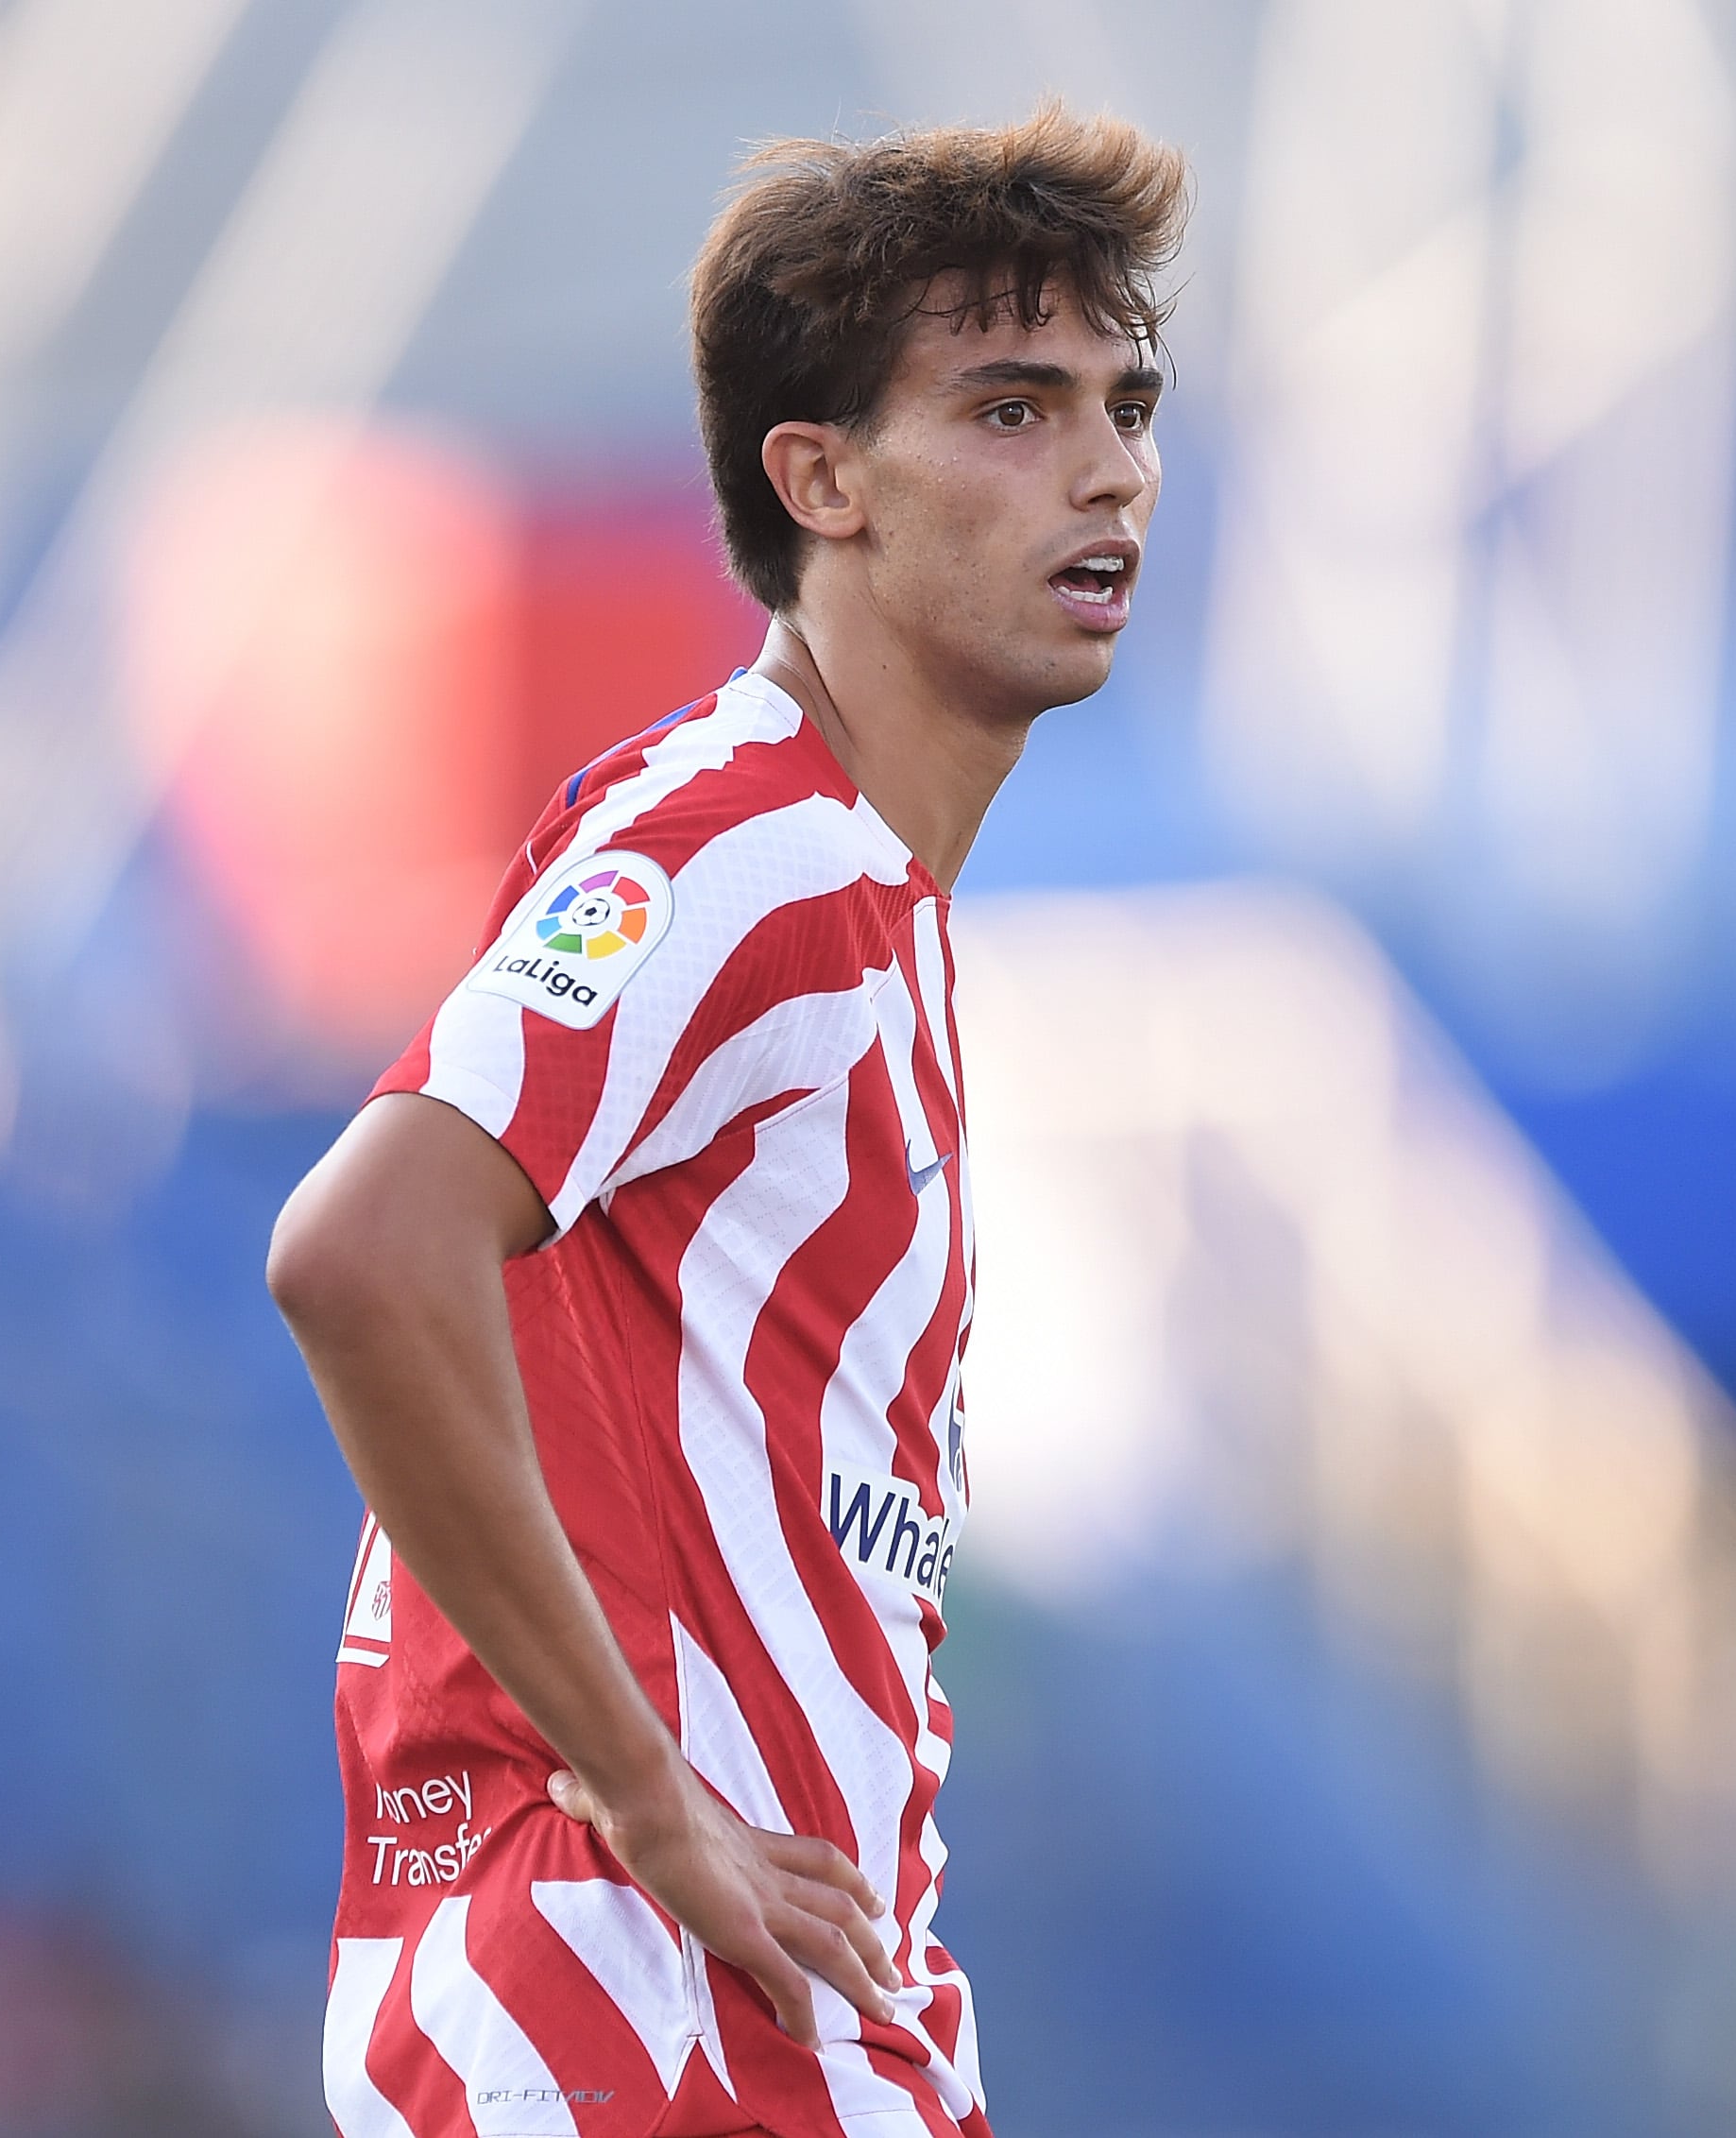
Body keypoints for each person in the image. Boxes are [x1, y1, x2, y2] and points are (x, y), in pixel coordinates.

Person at [266, 103, 1186, 2138]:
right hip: (635, 2010)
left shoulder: (868, 912)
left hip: (774, 2027)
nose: (1109, 465)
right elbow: (359, 1249)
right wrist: (650, 1790)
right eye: (1014, 407)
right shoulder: (735, 846)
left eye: (1128, 404)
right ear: (820, 476)